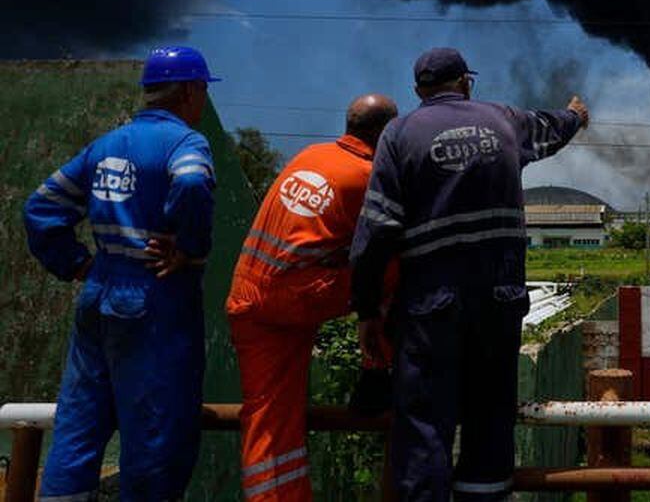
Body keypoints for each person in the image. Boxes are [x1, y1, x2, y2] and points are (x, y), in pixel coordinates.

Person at [350, 47, 589, 502]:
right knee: (490, 415)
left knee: (424, 422)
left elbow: (378, 230)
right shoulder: (504, 120)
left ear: (419, 91)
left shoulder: (399, 134)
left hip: (430, 305)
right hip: (499, 301)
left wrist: (366, 308)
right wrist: (575, 115)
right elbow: (552, 127)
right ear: (466, 82)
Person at [23, 46, 219, 501]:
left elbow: (41, 207)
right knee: (155, 433)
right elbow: (191, 181)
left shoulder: (106, 145)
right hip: (154, 298)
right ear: (191, 91)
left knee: (79, 425)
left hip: (98, 292)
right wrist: (189, 249)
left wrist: (77, 263)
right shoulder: (186, 143)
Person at [226, 93, 398, 502]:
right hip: (295, 296)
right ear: (385, 133)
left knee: (269, 416)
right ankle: (379, 372)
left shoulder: (311, 154)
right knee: (397, 266)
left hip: (249, 296)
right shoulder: (367, 175)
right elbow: (379, 255)